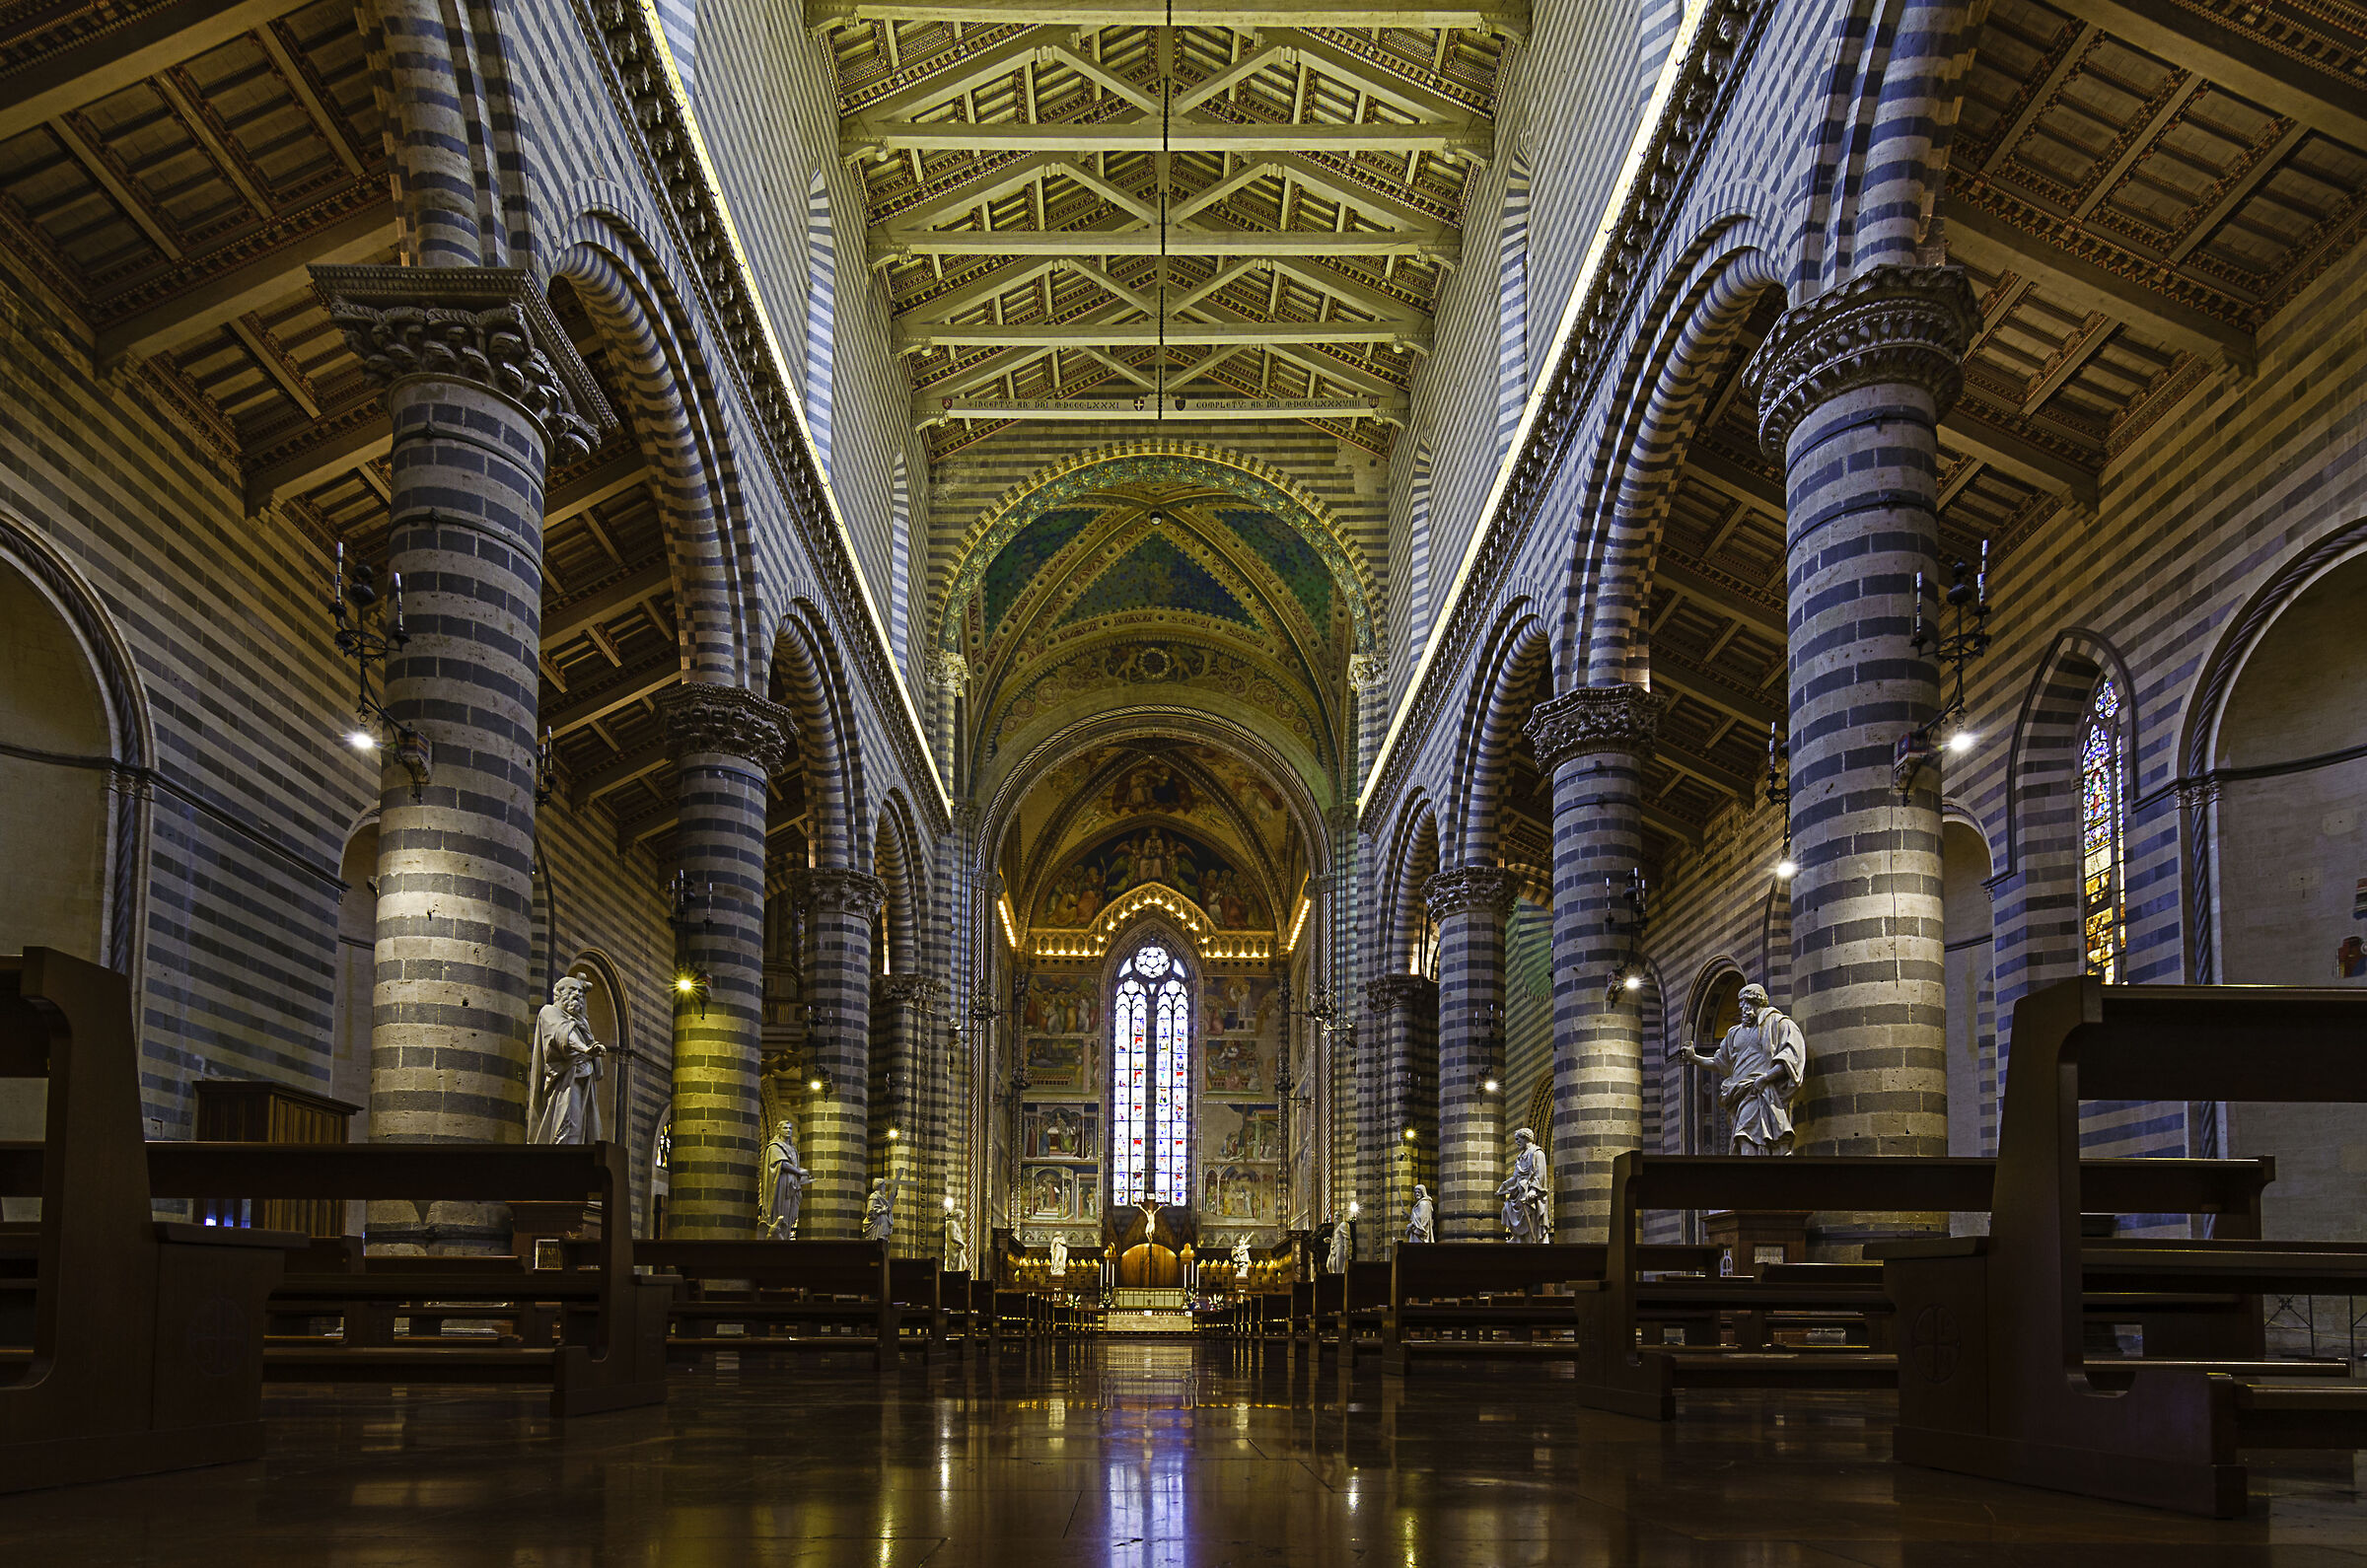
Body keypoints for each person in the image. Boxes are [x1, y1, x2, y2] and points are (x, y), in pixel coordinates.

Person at [1678, 982, 1808, 1154]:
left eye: (1746, 1003)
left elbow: (1791, 1057)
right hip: (1739, 1093)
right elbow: (1719, 1063)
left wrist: (1766, 1078)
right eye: (1741, 1004)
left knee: (1745, 1136)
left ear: (1756, 1002)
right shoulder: (1735, 1033)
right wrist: (1694, 1058)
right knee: (1745, 1139)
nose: (1743, 1008)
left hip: (1760, 1091)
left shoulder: (1779, 1024)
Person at [528, 975, 607, 1144]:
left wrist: (592, 1045)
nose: (577, 994)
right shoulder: (550, 1011)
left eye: (579, 991)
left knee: (580, 1127)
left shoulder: (581, 1021)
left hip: (583, 1080)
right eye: (572, 990)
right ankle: (564, 1162)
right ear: (559, 993)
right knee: (567, 1124)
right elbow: (562, 1034)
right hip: (565, 1082)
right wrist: (586, 1049)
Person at [1499, 1127, 1550, 1243]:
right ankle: (1518, 1237)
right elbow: (1516, 1177)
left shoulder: (1537, 1153)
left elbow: (1540, 1174)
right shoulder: (1521, 1156)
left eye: (1518, 1139)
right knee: (1506, 1209)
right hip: (1520, 1190)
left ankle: (1529, 1239)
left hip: (1531, 1193)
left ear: (1525, 1138)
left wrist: (1533, 1190)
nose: (1516, 1142)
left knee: (1528, 1209)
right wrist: (1504, 1185)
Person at [762, 1117, 810, 1238]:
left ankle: (786, 1235)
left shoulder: (793, 1148)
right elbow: (782, 1164)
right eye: (785, 1128)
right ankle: (778, 1236)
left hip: (791, 1186)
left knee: (788, 1214)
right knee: (780, 1212)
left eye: (790, 1128)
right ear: (779, 1130)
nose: (788, 1130)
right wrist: (798, 1171)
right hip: (780, 1184)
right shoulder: (775, 1147)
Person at [863, 1176, 898, 1241]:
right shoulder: (874, 1196)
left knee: (883, 1242)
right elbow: (869, 1213)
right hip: (877, 1226)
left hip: (882, 1226)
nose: (884, 1188)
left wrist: (893, 1197)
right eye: (884, 1186)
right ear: (881, 1187)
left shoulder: (881, 1198)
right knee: (877, 1242)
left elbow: (888, 1208)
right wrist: (882, 1211)